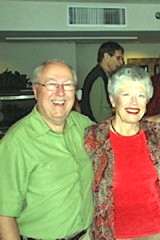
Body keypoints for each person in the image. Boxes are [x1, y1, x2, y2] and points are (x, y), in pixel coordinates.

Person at [0, 60, 94, 240]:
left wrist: (148, 122)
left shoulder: (84, 125)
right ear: (36, 91)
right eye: (51, 84)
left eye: (67, 85)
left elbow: (117, 133)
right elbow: (4, 214)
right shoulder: (16, 143)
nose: (60, 93)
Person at [84, 64, 160, 240]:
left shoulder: (156, 133)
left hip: (158, 231)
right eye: (126, 95)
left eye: (140, 95)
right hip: (113, 234)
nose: (134, 102)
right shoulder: (94, 137)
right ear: (112, 100)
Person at [81, 41, 124, 123]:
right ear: (107, 57)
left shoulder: (102, 75)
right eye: (118, 58)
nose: (121, 62)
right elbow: (101, 115)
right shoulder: (99, 78)